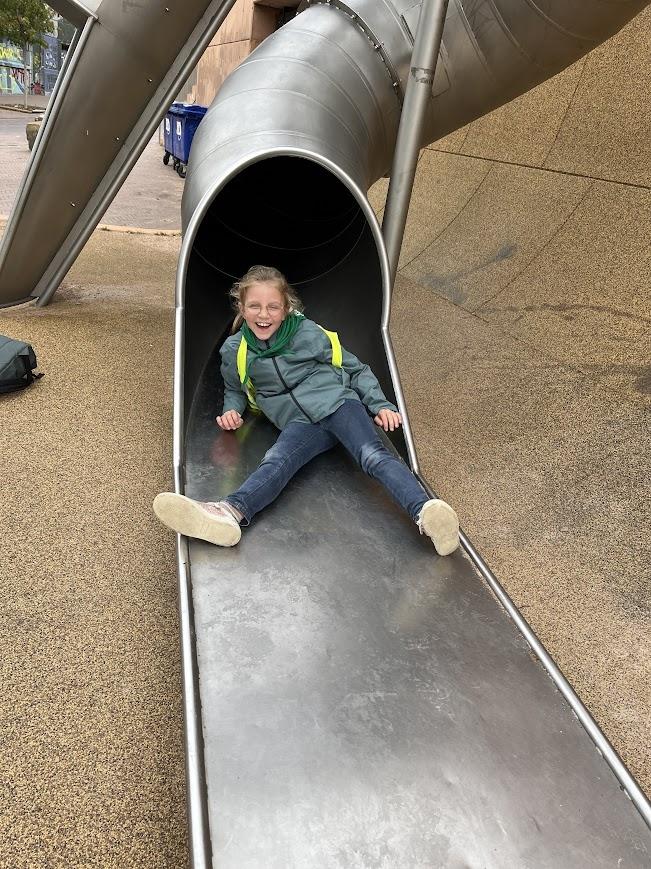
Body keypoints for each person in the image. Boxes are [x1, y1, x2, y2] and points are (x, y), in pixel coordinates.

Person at [153, 265, 460, 556]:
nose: (263, 314)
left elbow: (355, 368)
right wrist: (232, 410)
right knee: (277, 460)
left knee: (372, 455)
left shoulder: (308, 334)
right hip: (299, 422)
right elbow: (234, 388)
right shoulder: (235, 350)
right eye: (255, 306)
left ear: (286, 308)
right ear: (242, 308)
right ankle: (228, 513)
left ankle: (426, 513)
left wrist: (379, 404)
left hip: (338, 403)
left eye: (273, 307)